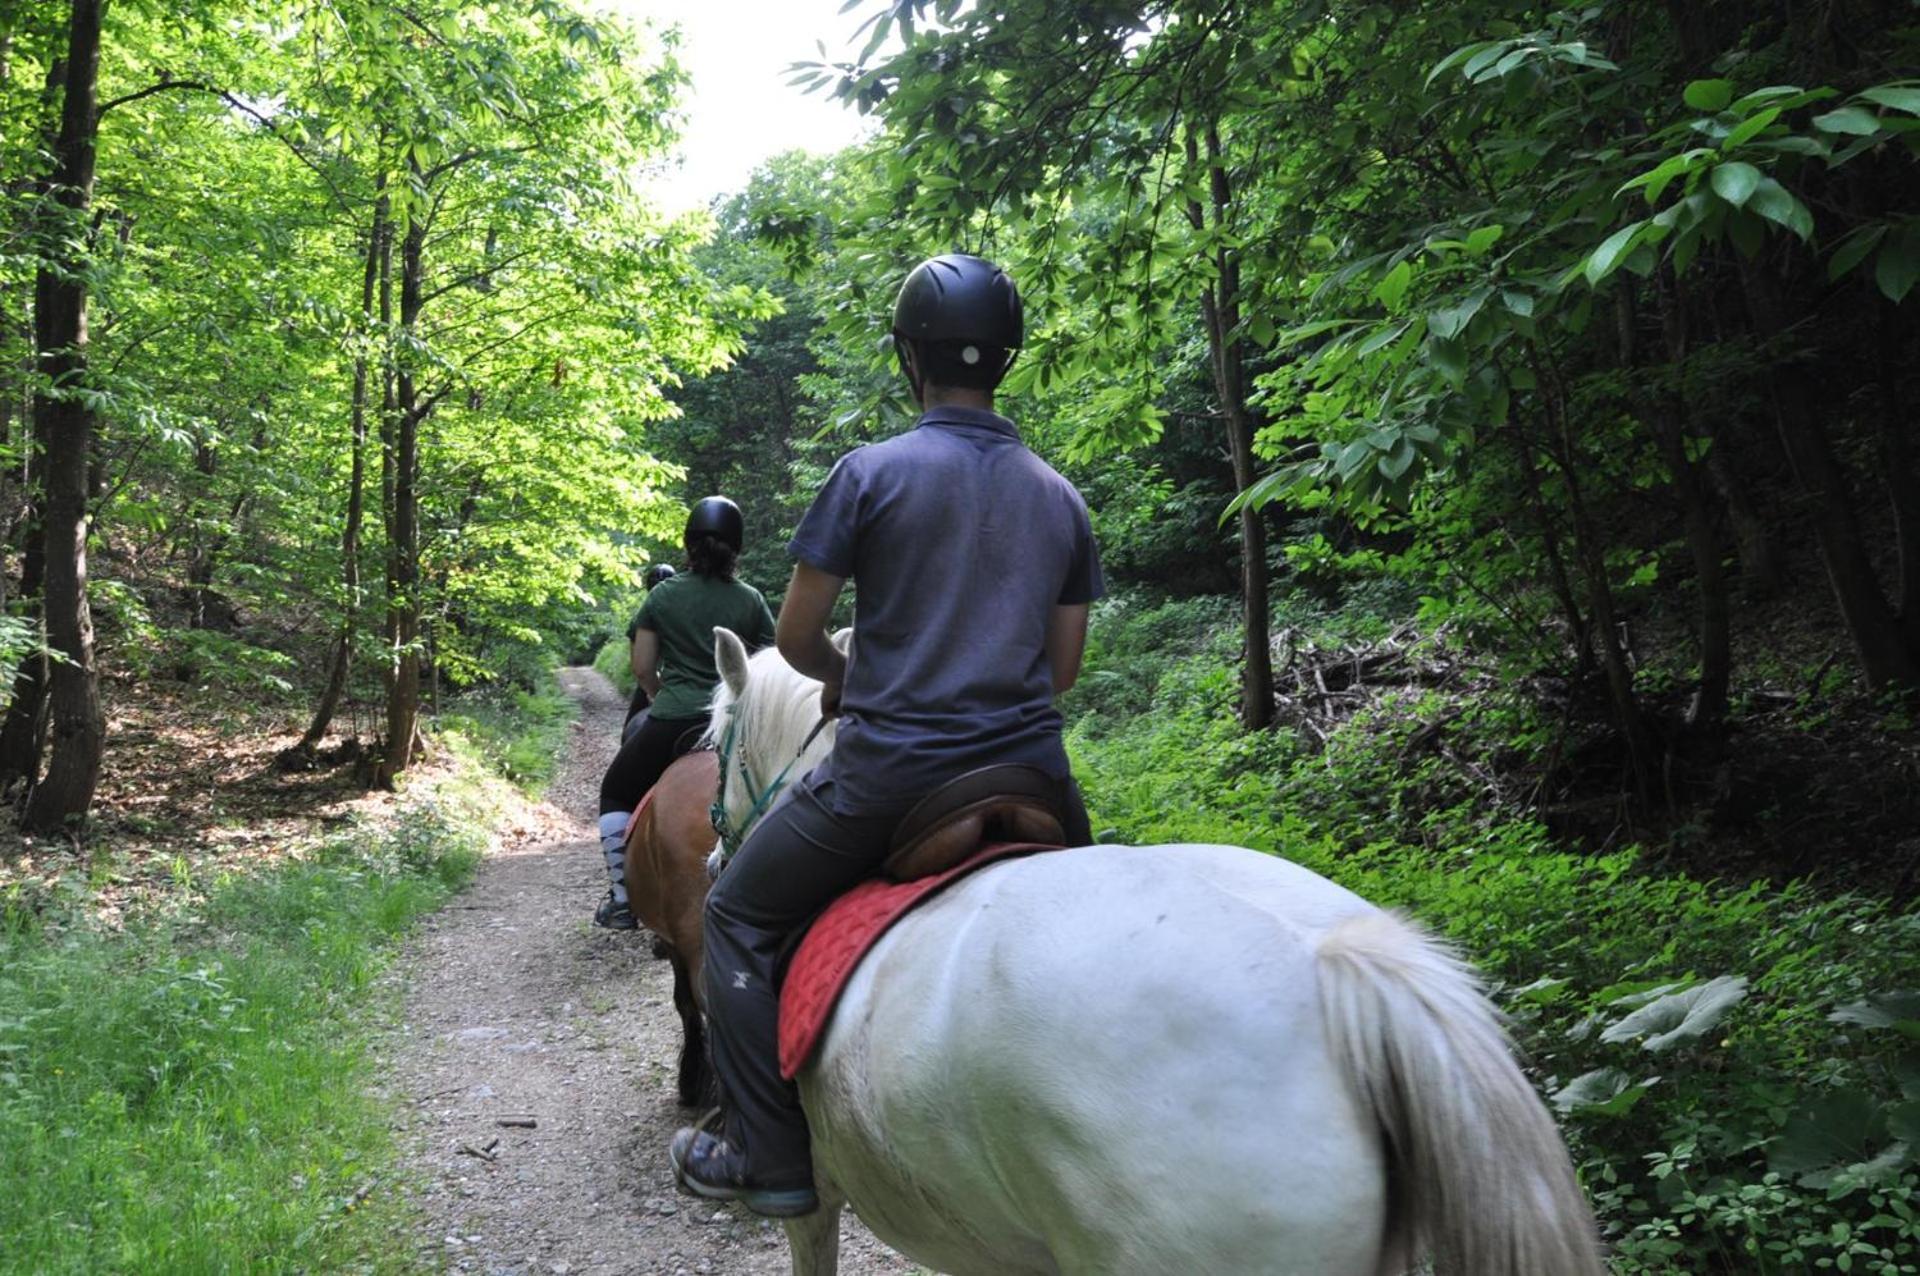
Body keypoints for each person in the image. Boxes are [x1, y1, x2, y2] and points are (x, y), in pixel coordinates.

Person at [669, 253, 1102, 1216]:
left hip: (893, 775)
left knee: (736, 918)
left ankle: (767, 1159)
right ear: (1005, 361)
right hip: (1037, 775)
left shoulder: (869, 475)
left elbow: (793, 638)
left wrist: (849, 676)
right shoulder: (1062, 497)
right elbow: (1061, 670)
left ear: (912, 359)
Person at [594, 498, 775, 931]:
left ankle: (622, 900)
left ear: (689, 544)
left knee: (616, 791)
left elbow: (642, 667)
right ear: (736, 547)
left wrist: (659, 695)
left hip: (673, 717)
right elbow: (771, 660)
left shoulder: (663, 595)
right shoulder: (750, 600)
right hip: (731, 720)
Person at [620, 563, 678, 744]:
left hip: (653, 683)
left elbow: (639, 665)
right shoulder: (688, 611)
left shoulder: (642, 616)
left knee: (629, 737)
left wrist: (653, 692)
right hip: (686, 682)